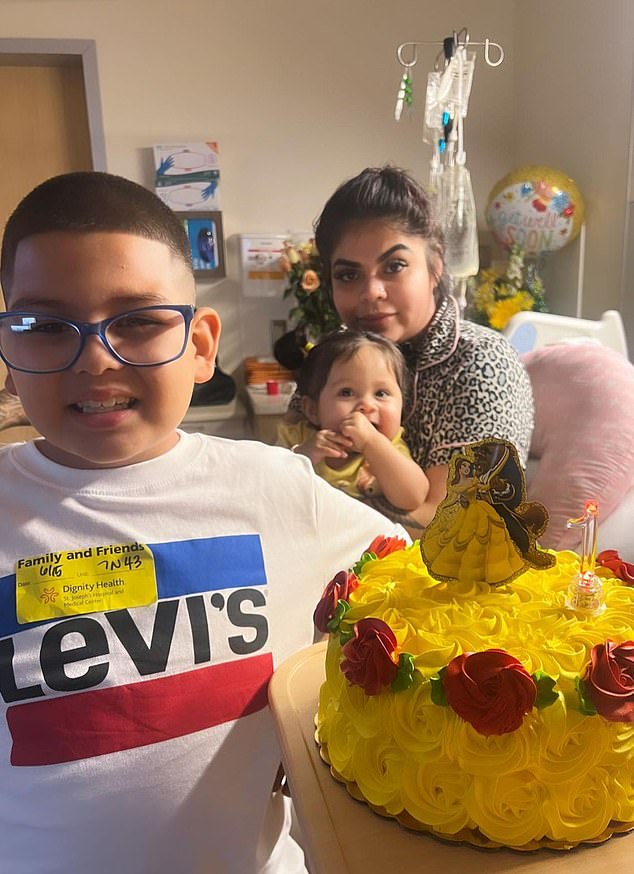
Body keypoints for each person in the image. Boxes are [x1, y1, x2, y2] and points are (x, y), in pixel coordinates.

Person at [0, 171, 407, 874]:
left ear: (199, 344)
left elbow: (408, 577)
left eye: (137, 320)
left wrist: (329, 712)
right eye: (43, 326)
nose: (96, 357)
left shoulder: (275, 489)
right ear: (7, 352)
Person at [283, 165, 534, 528]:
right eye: (348, 275)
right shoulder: (336, 357)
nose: (371, 292)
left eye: (394, 266)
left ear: (434, 268)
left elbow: (457, 521)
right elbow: (285, 468)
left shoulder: (478, 363)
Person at [277, 329, 428, 517]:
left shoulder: (388, 447)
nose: (366, 405)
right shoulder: (296, 437)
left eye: (381, 393)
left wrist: (371, 442)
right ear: (313, 410)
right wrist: (304, 455)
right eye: (346, 392)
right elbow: (271, 490)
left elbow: (413, 497)